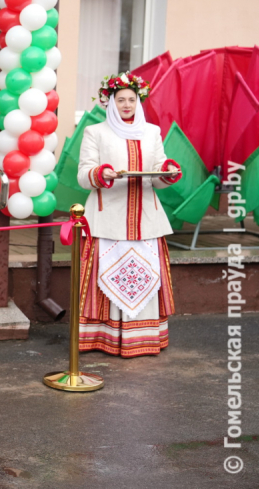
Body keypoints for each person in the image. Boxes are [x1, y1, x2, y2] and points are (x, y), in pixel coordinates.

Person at [77, 72, 181, 358]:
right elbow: (84, 176)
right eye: (120, 99)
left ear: (139, 101)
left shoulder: (152, 132)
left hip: (147, 220)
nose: (126, 105)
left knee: (145, 278)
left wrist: (168, 172)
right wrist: (101, 173)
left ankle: (143, 339)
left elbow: (157, 174)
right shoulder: (95, 132)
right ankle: (103, 338)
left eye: (131, 100)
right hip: (108, 220)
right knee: (108, 277)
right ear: (109, 102)